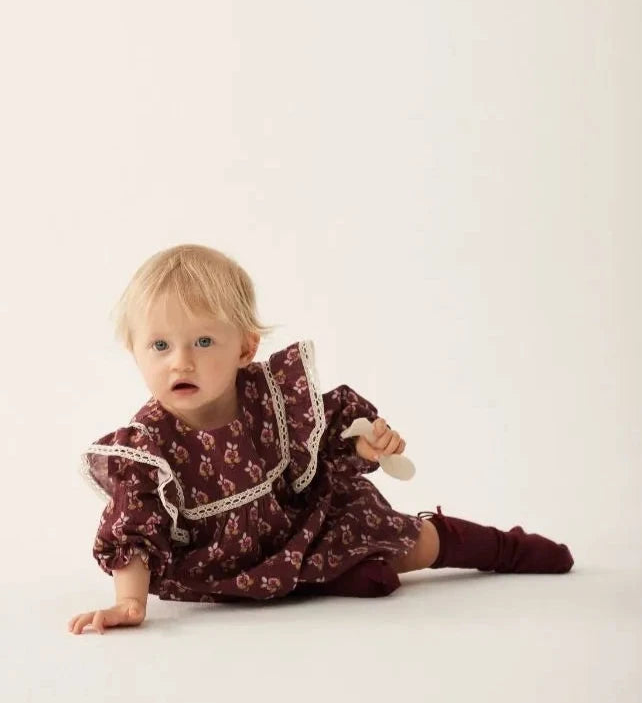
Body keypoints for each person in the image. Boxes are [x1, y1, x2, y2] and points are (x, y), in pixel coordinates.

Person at [68, 244, 574, 634]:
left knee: (409, 542)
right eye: (160, 345)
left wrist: (364, 444)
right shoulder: (146, 449)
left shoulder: (271, 400)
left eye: (203, 341)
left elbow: (328, 436)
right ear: (134, 350)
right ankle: (337, 578)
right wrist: (129, 601)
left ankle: (507, 549)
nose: (181, 360)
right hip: (224, 566)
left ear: (245, 347)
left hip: (302, 523)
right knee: (348, 576)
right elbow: (133, 529)